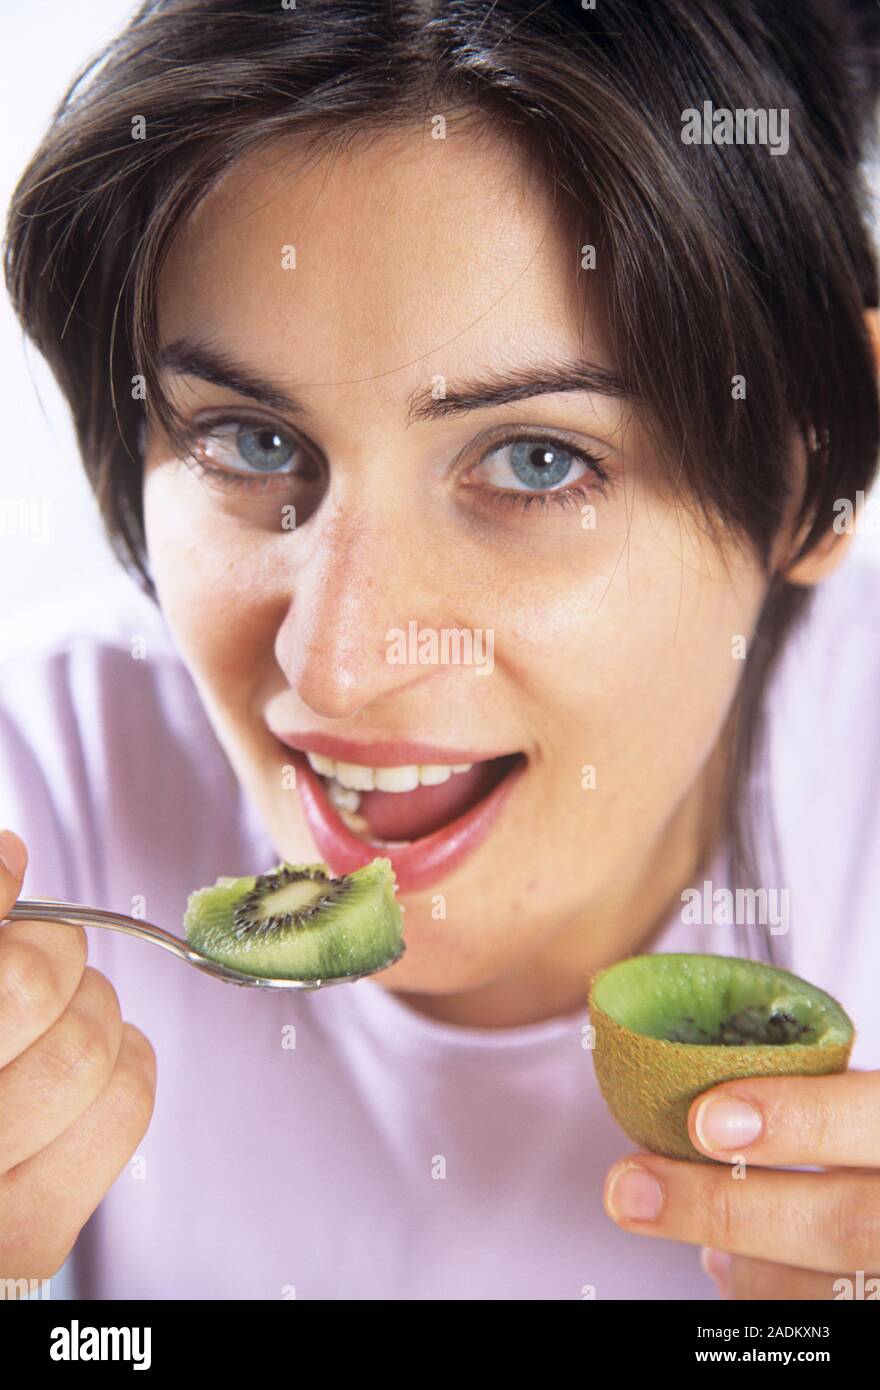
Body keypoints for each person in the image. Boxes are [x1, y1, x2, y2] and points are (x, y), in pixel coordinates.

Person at [1, 0, 879, 1300]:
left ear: (822, 465)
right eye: (251, 441)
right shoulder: (50, 773)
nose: (340, 665)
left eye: (538, 462)